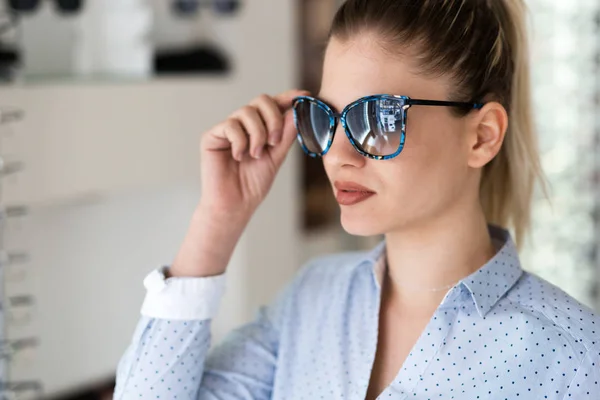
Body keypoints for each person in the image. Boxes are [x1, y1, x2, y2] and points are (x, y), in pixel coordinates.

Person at [114, 0, 600, 398]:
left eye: (377, 120)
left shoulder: (575, 358)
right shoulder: (311, 299)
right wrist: (218, 219)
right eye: (323, 117)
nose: (337, 155)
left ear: (482, 136)